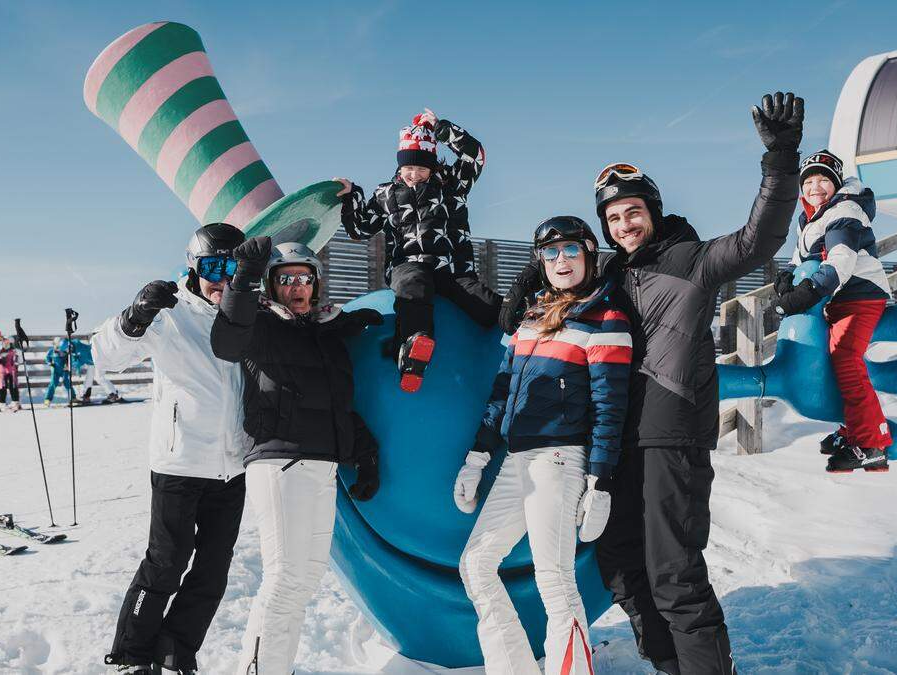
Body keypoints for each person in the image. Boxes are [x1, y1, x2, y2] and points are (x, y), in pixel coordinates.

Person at [500, 92, 803, 674]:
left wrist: (781, 160)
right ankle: (669, 666)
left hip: (671, 431)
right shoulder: (612, 272)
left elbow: (760, 238)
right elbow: (561, 270)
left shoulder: (693, 259)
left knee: (673, 572)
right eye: (612, 218)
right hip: (616, 439)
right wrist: (520, 283)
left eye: (632, 211)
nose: (623, 224)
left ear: (653, 211)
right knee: (616, 560)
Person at [455, 216, 631, 675]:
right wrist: (477, 456)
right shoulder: (531, 317)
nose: (560, 260)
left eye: (571, 250)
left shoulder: (605, 318)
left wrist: (600, 482)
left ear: (590, 255)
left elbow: (610, 406)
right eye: (550, 254)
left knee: (555, 580)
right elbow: (502, 391)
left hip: (560, 459)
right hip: (517, 459)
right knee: (476, 564)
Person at [211, 236, 383, 675]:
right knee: (285, 575)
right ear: (272, 286)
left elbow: (336, 403)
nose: (296, 287)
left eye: (304, 278)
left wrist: (364, 452)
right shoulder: (262, 325)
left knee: (305, 577)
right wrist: (244, 278)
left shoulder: (324, 334)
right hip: (280, 461)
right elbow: (227, 340)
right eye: (285, 279)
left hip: (322, 462)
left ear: (316, 283)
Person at [94, 223, 252, 674]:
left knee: (214, 570)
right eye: (212, 267)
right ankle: (131, 655)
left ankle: (177, 648)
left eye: (232, 267)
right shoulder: (169, 313)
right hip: (179, 462)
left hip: (232, 466)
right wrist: (134, 317)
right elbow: (106, 356)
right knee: (166, 563)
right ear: (193, 267)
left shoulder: (245, 313)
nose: (222, 279)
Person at [334, 108, 501, 392]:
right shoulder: (386, 194)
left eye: (421, 169)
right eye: (408, 169)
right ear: (399, 167)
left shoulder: (452, 185)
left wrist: (441, 129)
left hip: (452, 269)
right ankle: (414, 348)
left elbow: (475, 155)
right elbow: (360, 228)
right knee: (413, 287)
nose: (414, 175)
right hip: (408, 265)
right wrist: (351, 196)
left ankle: (521, 331)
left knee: (483, 301)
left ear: (433, 167)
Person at [773, 149, 893, 473]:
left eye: (823, 180)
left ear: (836, 184)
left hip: (860, 295)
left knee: (846, 357)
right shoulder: (810, 217)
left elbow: (840, 260)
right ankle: (850, 428)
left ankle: (871, 444)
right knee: (832, 360)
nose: (815, 187)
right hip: (838, 300)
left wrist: (808, 292)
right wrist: (786, 278)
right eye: (809, 181)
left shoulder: (844, 211)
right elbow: (802, 258)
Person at [67, 336, 121, 404]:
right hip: (92, 362)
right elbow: (79, 361)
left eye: (67, 350)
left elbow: (81, 360)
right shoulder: (76, 350)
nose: (67, 351)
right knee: (88, 379)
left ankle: (113, 395)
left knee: (99, 377)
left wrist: (75, 363)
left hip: (99, 360)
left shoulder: (80, 350)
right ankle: (86, 396)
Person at [43, 337, 75, 407]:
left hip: (64, 370)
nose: (57, 347)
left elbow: (69, 358)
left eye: (58, 345)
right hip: (55, 370)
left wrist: (68, 364)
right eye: (56, 345)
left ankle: (73, 398)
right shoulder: (51, 351)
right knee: (53, 383)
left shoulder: (64, 350)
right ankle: (47, 399)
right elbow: (47, 358)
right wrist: (49, 362)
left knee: (67, 382)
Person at [0, 335, 21, 412]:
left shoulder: (14, 350)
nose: (6, 342)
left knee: (13, 386)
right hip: (2, 370)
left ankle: (15, 402)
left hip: (12, 370)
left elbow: (18, 359)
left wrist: (16, 363)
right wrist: (0, 358)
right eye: (4, 341)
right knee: (2, 386)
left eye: (8, 341)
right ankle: (1, 403)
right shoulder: (0, 349)